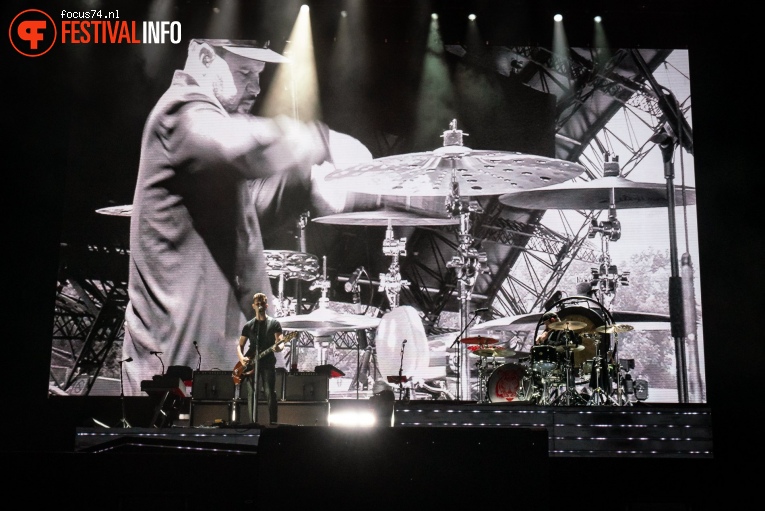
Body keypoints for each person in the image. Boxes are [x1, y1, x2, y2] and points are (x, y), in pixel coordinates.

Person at [122, 38, 369, 396]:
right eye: (244, 72)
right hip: (177, 373)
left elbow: (250, 210)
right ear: (205, 58)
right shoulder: (180, 110)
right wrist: (321, 140)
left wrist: (306, 178)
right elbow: (239, 145)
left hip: (216, 368)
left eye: (258, 75)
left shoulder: (206, 148)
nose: (255, 87)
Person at [237, 293, 283, 425]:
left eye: (262, 303)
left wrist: (279, 346)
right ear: (253, 306)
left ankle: (273, 422)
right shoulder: (249, 325)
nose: (260, 305)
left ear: (266, 305)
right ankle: (253, 423)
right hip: (251, 363)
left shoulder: (274, 323)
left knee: (269, 391)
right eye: (257, 303)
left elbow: (280, 341)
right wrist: (241, 358)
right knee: (252, 393)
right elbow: (240, 345)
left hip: (268, 362)